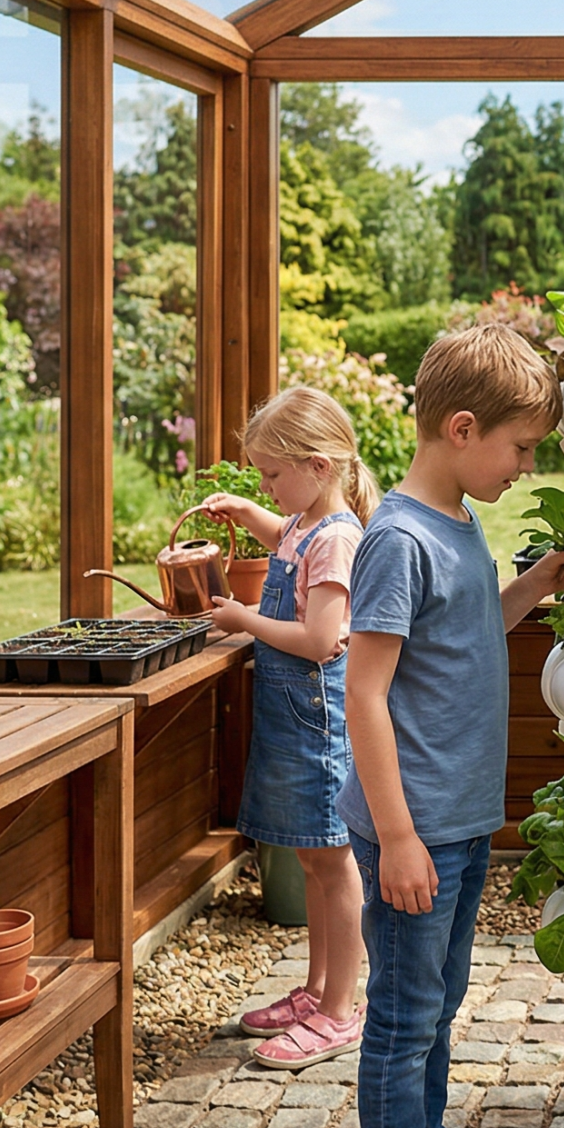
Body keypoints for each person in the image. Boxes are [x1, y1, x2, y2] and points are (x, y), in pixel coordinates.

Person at [343, 325, 564, 1128]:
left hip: (459, 821)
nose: (526, 466)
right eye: (521, 447)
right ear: (463, 428)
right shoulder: (397, 541)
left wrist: (536, 584)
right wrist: (399, 839)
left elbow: (467, 633)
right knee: (403, 1026)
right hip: (419, 831)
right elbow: (363, 695)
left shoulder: (460, 523)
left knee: (436, 1013)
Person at [199, 386, 383, 1069]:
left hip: (319, 718)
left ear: (319, 466)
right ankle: (316, 989)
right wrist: (250, 513)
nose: (268, 487)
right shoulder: (307, 524)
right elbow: (284, 543)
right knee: (312, 856)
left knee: (334, 863)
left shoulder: (336, 539)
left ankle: (340, 1010)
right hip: (297, 716)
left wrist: (244, 618)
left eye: (272, 476)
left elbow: (318, 638)